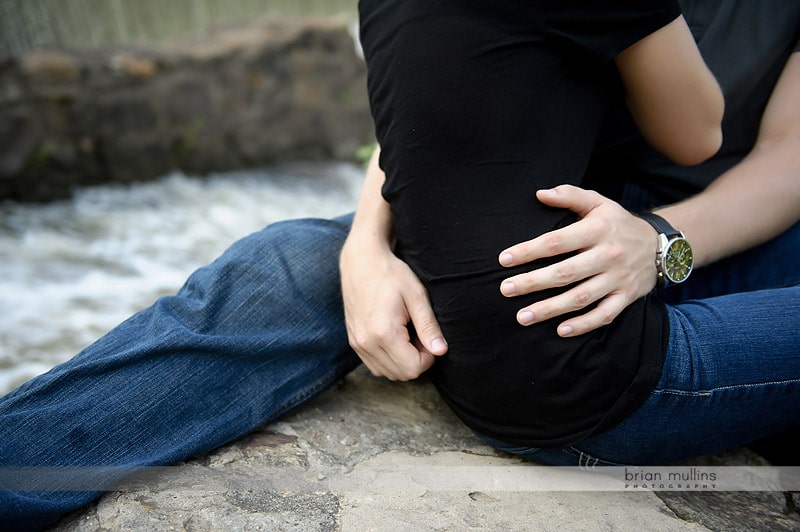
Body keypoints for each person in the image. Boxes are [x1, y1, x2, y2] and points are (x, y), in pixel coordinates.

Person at [1, 1, 798, 529]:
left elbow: (789, 158)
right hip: (528, 229)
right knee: (283, 264)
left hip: (718, 238)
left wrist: (658, 245)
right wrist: (367, 244)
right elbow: (440, 95)